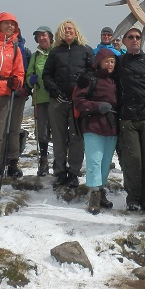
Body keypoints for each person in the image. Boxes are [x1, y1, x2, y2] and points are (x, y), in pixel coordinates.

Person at [42, 19, 94, 187]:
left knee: (77, 137)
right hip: (57, 100)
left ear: (76, 31)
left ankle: (74, 171)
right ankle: (60, 171)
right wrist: (54, 91)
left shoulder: (85, 50)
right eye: (64, 29)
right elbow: (47, 75)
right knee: (58, 137)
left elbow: (93, 72)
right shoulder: (55, 52)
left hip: (77, 100)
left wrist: (84, 87)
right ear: (60, 33)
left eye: (70, 28)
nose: (67, 31)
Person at [116, 26, 145, 212]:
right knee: (132, 161)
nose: (135, 40)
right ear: (124, 41)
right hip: (128, 118)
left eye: (138, 37)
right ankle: (133, 198)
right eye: (130, 37)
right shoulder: (119, 62)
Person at [0, 12, 26, 193]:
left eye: (13, 24)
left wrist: (17, 81)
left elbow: (19, 71)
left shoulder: (14, 48)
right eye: (6, 23)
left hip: (3, 95)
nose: (10, 26)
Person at [73, 48, 118, 213]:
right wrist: (97, 106)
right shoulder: (89, 79)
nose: (110, 64)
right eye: (107, 61)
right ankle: (94, 195)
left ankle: (101, 191)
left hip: (111, 127)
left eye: (112, 61)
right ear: (99, 62)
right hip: (93, 125)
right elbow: (79, 101)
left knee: (106, 162)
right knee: (95, 161)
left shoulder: (115, 81)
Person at [26, 26, 53, 176]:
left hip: (56, 98)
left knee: (57, 131)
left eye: (45, 35)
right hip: (40, 98)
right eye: (39, 36)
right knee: (42, 131)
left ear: (50, 37)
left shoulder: (56, 53)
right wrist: (31, 79)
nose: (42, 38)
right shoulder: (35, 56)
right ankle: (43, 161)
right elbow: (29, 75)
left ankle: (58, 161)